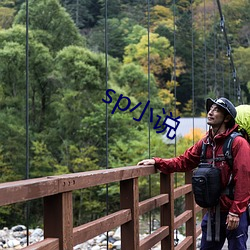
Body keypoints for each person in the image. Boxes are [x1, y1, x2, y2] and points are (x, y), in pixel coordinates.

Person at [137, 97, 250, 250]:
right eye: (210, 109)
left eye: (216, 110)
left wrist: (236, 212)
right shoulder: (205, 143)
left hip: (233, 211)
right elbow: (184, 161)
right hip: (213, 211)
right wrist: (157, 162)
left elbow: (244, 178)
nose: (210, 112)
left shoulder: (238, 143)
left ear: (227, 118)